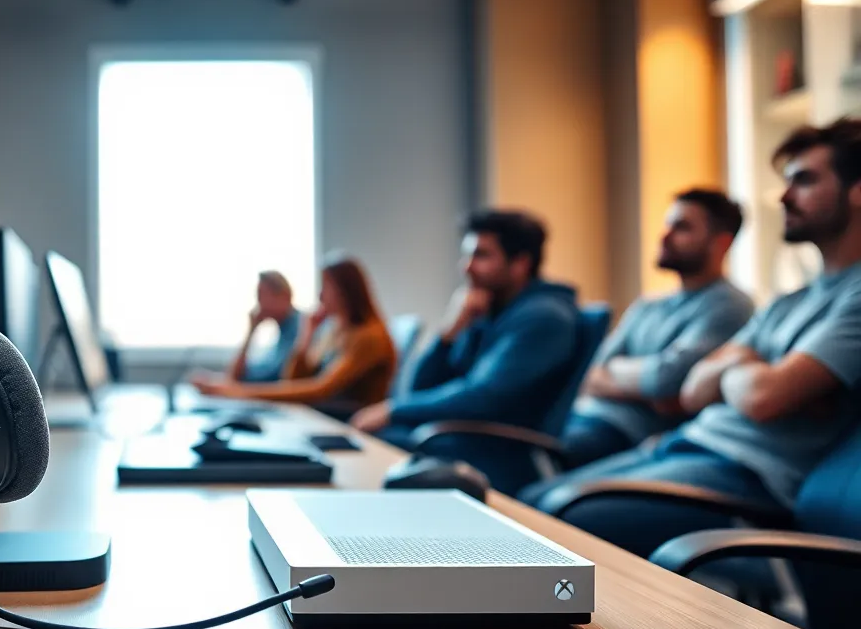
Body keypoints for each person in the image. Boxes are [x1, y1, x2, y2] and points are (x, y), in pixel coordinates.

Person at [521, 118, 861, 559]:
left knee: (559, 519)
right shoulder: (786, 302)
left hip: (748, 480)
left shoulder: (852, 297)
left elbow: (761, 398)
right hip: (688, 446)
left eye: (804, 180)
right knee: (529, 503)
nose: (783, 196)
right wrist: (749, 372)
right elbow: (695, 387)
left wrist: (740, 368)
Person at [349, 210, 579, 494]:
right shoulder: (489, 313)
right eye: (467, 255)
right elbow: (420, 387)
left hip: (502, 452)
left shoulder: (544, 318)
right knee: (375, 445)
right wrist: (449, 332)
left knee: (378, 446)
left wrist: (394, 411)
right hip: (464, 436)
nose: (467, 267)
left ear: (520, 263)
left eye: (481, 255)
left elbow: (483, 397)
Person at [560, 189, 754, 467]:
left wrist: (617, 371)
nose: (664, 236)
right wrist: (646, 389)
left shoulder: (729, 305)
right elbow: (591, 372)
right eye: (668, 224)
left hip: (628, 436)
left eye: (682, 227)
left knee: (533, 466)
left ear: (720, 243)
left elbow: (667, 380)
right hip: (582, 417)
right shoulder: (647, 306)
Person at [192, 256, 396, 411]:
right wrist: (306, 336)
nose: (320, 295)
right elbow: (292, 380)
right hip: (323, 415)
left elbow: (320, 389)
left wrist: (240, 393)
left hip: (347, 420)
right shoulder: (335, 331)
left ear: (346, 291)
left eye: (326, 287)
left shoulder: (369, 336)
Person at [226, 271, 301, 383]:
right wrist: (251, 331)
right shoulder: (280, 335)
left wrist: (234, 390)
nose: (259, 303)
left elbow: (282, 380)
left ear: (285, 295)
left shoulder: (302, 327)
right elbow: (236, 375)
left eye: (262, 295)